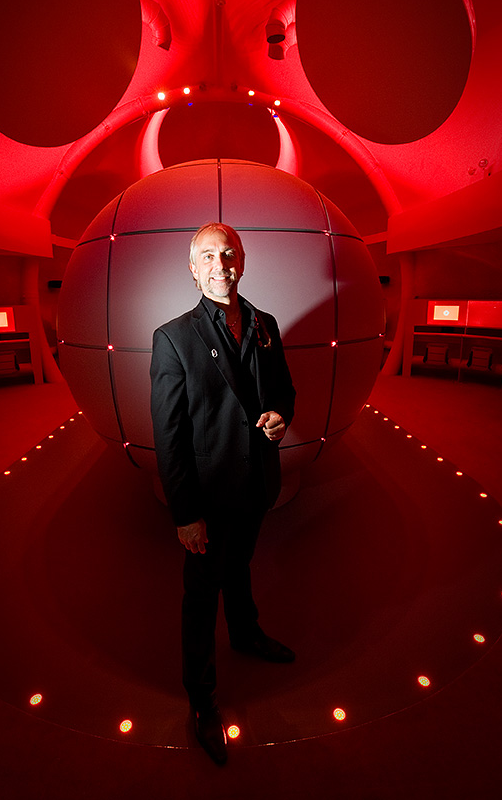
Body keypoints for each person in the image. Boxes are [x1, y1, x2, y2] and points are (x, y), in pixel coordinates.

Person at [150, 222, 296, 765]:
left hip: (256, 481)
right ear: (193, 269)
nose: (220, 262)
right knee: (200, 594)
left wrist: (282, 415)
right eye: (207, 255)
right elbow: (169, 435)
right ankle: (202, 697)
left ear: (242, 259)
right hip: (207, 496)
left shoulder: (266, 324)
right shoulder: (173, 337)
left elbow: (283, 389)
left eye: (228, 251)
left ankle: (246, 632)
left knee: (242, 565)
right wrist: (185, 514)